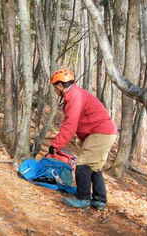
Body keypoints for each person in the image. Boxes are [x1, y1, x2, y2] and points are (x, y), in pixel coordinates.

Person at [48, 69, 117, 210]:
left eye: (55, 87)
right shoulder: (75, 94)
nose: (55, 90)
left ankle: (83, 198)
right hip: (102, 132)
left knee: (83, 164)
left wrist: (56, 145)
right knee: (94, 167)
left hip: (101, 132)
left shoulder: (74, 96)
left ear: (60, 85)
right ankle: (99, 200)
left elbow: (70, 124)